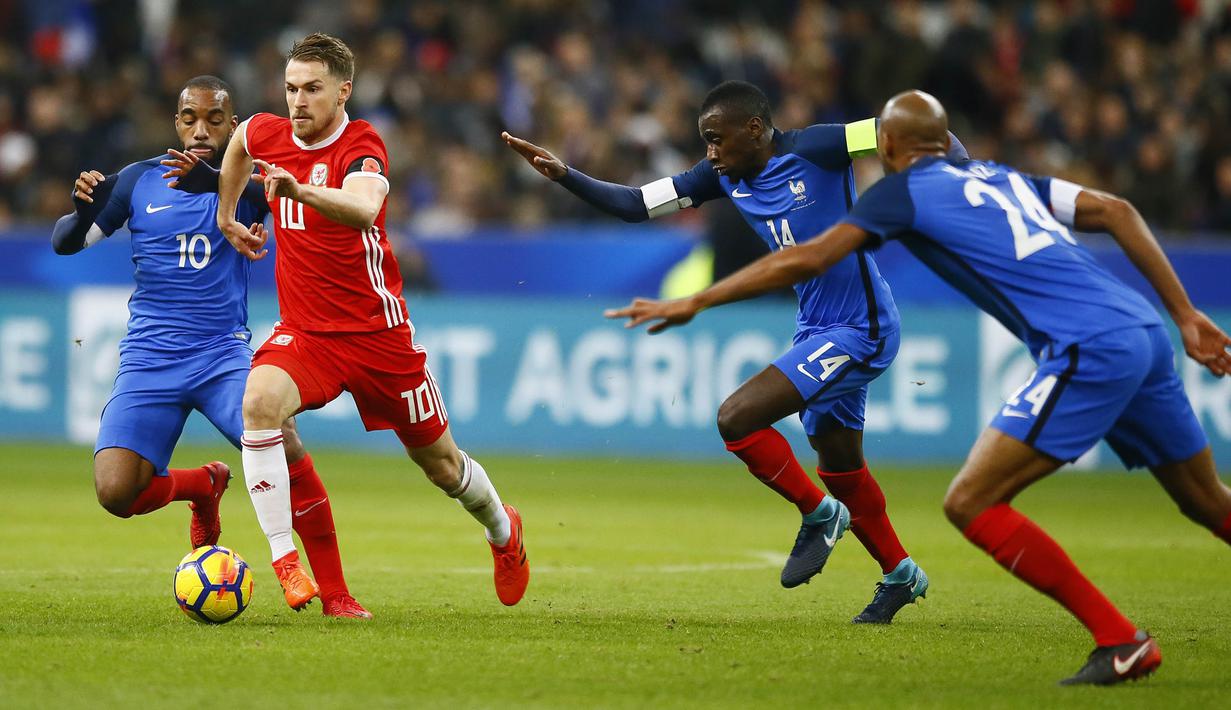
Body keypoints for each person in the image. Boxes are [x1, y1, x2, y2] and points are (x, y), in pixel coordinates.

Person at [607, 90, 1231, 686]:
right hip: (1145, 330)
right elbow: (1116, 210)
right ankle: (893, 566)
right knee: (1207, 503)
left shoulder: (902, 195)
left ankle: (1121, 641)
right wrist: (1185, 315)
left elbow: (806, 258)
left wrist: (698, 299)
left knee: (971, 503)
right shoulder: (1000, 176)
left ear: (886, 144)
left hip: (1088, 350)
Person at [504, 81, 967, 623]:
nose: (710, 153)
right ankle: (901, 575)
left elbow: (916, 133)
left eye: (716, 139)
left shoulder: (818, 146)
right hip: (815, 327)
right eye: (705, 142)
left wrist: (960, 170)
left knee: (737, 417)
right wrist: (565, 175)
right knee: (841, 466)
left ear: (754, 129)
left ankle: (818, 514)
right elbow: (635, 204)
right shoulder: (718, 178)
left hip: (862, 327)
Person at [212, 33, 529, 609]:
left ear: (343, 90)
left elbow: (363, 209)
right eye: (290, 89)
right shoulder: (268, 132)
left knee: (442, 467)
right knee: (258, 404)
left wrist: (299, 189)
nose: (298, 101)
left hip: (379, 339)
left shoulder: (363, 145)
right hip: (307, 334)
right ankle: (286, 562)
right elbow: (238, 142)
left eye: (312, 89)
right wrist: (227, 213)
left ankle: (504, 531)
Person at [50, 76, 370, 618]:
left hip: (221, 355)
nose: (201, 130)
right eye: (190, 119)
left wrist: (223, 184)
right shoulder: (138, 181)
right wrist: (84, 210)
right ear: (176, 123)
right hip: (150, 358)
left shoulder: (246, 183)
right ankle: (203, 485)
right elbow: (67, 242)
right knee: (115, 493)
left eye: (215, 121)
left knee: (284, 445)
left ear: (233, 124)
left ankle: (336, 594)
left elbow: (308, 207)